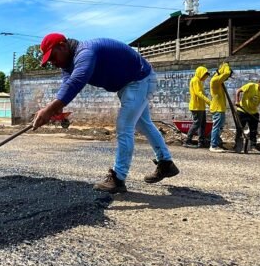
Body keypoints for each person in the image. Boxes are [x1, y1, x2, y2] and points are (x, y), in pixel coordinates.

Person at [32, 33, 179, 193]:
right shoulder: (68, 63)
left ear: (62, 46)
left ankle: (118, 178)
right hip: (130, 84)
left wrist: (49, 110)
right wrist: (56, 106)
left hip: (140, 79)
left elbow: (76, 82)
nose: (53, 63)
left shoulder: (86, 52)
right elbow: (67, 84)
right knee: (142, 124)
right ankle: (166, 164)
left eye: (53, 57)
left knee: (124, 126)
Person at [235, 77, 260, 149]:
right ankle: (237, 145)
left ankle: (253, 146)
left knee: (253, 131)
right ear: (259, 82)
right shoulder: (250, 86)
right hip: (242, 111)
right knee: (239, 129)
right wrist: (237, 101)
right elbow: (238, 91)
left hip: (253, 113)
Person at [208, 62, 232, 153]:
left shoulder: (219, 81)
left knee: (220, 127)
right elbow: (226, 73)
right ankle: (213, 145)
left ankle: (217, 143)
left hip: (220, 108)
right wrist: (225, 65)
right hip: (217, 108)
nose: (227, 78)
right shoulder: (215, 80)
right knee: (217, 127)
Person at [186, 66, 211, 148]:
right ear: (200, 73)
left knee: (202, 124)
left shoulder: (199, 81)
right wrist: (209, 102)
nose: (205, 78)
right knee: (197, 123)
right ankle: (187, 140)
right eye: (204, 76)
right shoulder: (195, 80)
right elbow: (198, 93)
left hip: (200, 106)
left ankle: (201, 141)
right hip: (196, 106)